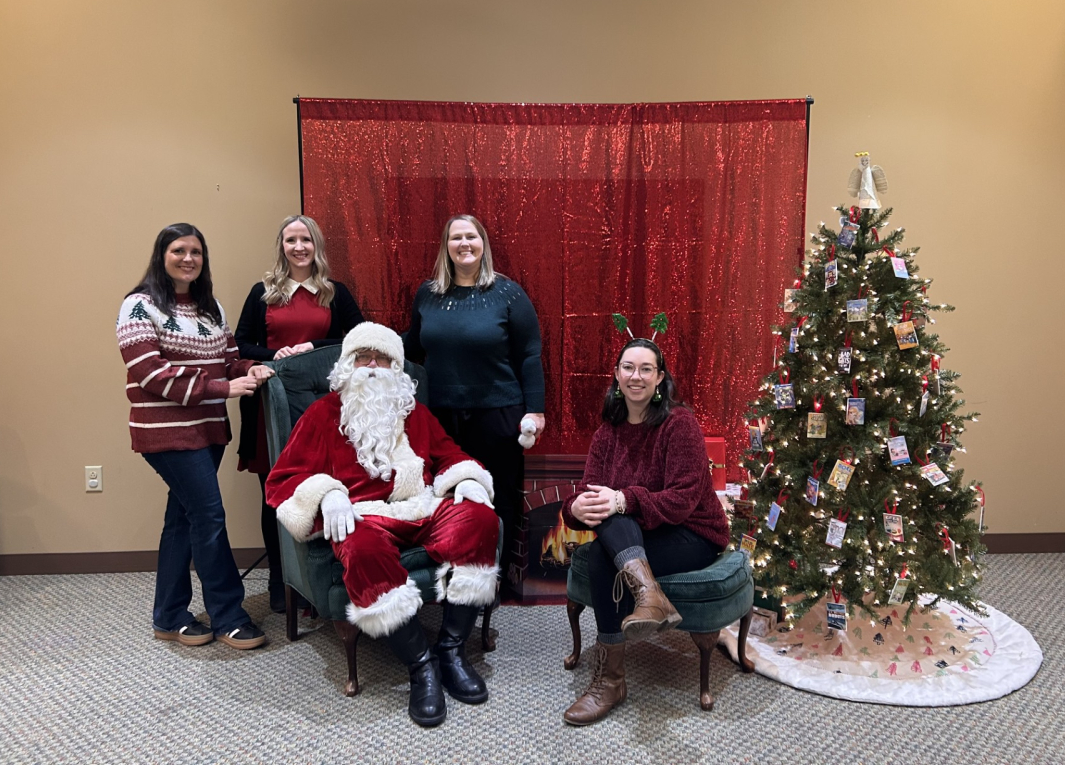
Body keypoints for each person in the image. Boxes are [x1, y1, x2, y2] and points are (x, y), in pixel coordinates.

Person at [266, 323, 500, 727]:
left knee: (481, 519)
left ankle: (450, 650)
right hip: (364, 516)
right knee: (360, 548)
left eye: (383, 359)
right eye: (363, 358)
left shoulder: (415, 413)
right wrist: (326, 493)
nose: (372, 367)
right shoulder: (323, 415)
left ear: (397, 368)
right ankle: (421, 666)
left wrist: (466, 480)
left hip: (422, 507)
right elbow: (282, 480)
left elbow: (448, 455)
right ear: (347, 366)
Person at [115, 223, 271, 651]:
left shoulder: (210, 307)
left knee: (182, 519)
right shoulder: (138, 306)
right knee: (209, 517)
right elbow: (150, 373)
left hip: (208, 430)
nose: (188, 258)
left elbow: (230, 359)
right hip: (166, 433)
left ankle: (168, 615)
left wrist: (248, 371)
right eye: (178, 250)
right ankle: (228, 615)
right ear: (161, 255)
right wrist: (222, 388)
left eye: (196, 252)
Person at [559, 338, 729, 726]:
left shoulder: (679, 423)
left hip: (694, 533)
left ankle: (610, 679)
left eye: (646, 369)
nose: (636, 376)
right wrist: (575, 508)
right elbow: (591, 493)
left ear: (660, 378)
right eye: (628, 368)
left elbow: (683, 500)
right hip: (639, 533)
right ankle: (649, 598)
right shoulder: (608, 432)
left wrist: (623, 501)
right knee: (607, 519)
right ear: (616, 376)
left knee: (608, 538)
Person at [234, 214, 364, 612]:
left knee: (327, 490)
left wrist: (314, 347)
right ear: (282, 246)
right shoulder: (263, 292)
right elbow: (240, 345)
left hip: (325, 411)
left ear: (316, 246)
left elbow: (358, 338)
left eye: (305, 240)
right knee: (274, 497)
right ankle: (280, 580)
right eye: (291, 240)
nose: (298, 247)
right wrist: (276, 355)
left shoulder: (333, 292)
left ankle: (320, 579)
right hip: (270, 411)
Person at [404, 214, 544, 583]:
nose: (464, 244)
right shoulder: (428, 294)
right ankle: (454, 572)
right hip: (440, 417)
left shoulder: (508, 293)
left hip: (498, 414)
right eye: (456, 238)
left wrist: (536, 410)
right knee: (446, 495)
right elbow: (412, 346)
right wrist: (366, 348)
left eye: (471, 237)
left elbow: (530, 354)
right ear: (445, 248)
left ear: (483, 244)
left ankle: (495, 578)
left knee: (498, 497)